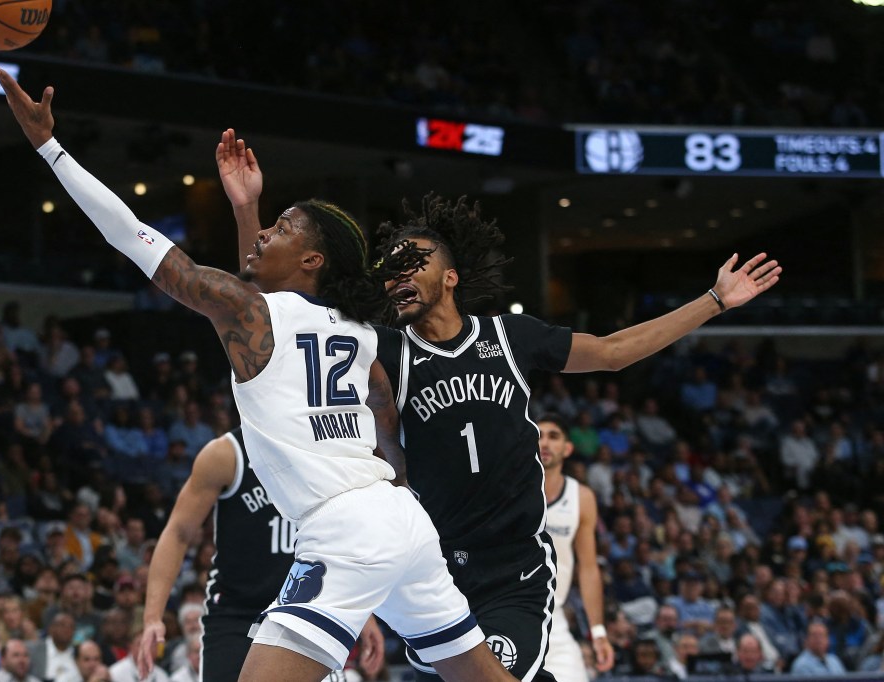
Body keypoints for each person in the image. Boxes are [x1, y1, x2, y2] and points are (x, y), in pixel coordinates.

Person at [0, 68, 517, 682]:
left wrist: (49, 148)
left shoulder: (253, 314)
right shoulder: (355, 330)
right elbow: (385, 424)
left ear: (312, 259)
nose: (268, 231)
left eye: (284, 227)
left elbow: (132, 237)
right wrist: (246, 208)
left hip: (343, 528)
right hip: (402, 519)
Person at [220, 132, 781, 680]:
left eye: (414, 262)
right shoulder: (383, 350)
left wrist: (713, 301)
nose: (399, 275)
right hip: (431, 567)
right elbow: (268, 313)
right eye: (390, 268)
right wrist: (248, 210)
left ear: (451, 276)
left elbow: (612, 353)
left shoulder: (513, 338)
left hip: (512, 570)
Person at [139, 428, 383, 682]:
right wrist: (152, 618)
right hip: (236, 612)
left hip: (306, 608)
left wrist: (365, 614)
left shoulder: (322, 449)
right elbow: (178, 533)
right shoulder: (226, 454)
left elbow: (340, 535)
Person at [537, 415, 614, 682]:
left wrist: (599, 632)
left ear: (568, 449)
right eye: (538, 435)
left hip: (552, 618)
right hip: (505, 612)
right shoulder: (507, 489)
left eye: (553, 436)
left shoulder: (581, 497)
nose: (544, 442)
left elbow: (589, 568)